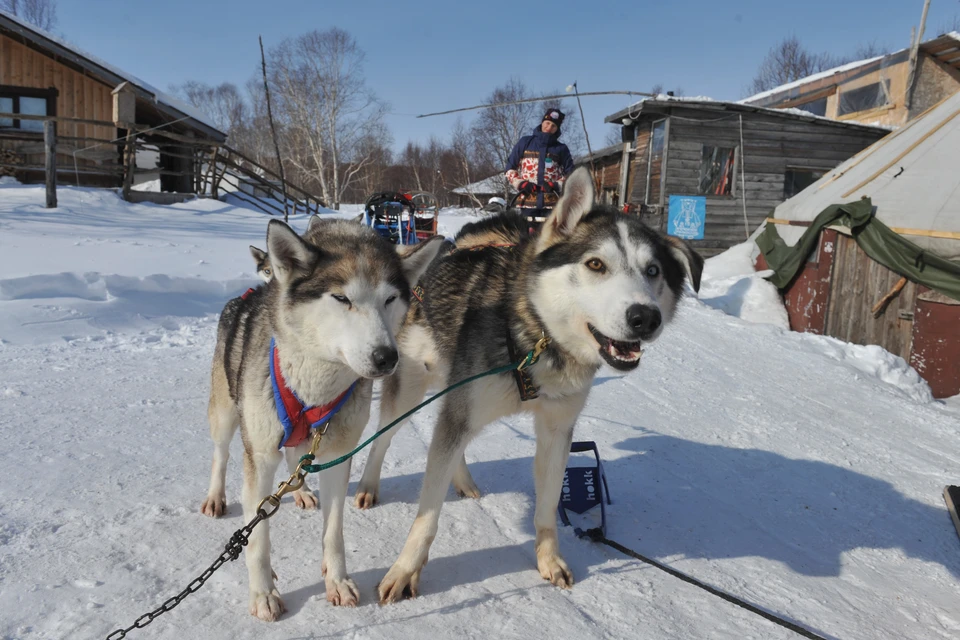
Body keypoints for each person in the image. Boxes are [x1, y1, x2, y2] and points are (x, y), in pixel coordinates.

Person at [504, 108, 575, 227]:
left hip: (551, 204)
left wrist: (556, 185)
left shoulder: (561, 149)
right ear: (542, 122)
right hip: (527, 201)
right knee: (526, 238)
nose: (549, 127)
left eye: (553, 126)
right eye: (547, 123)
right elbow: (510, 168)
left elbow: (571, 174)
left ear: (557, 129)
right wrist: (521, 183)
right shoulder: (525, 142)